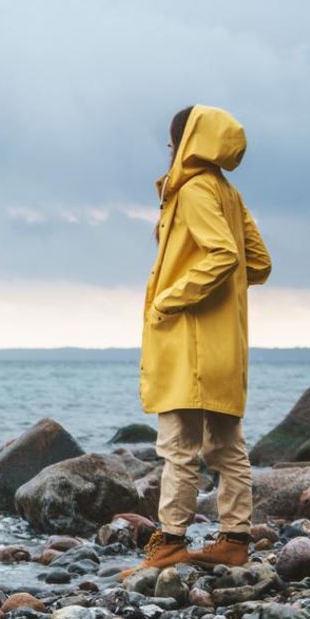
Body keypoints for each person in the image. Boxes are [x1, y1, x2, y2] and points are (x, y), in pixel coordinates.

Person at [128, 104, 271, 573]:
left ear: (187, 141)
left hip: (189, 344)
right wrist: (222, 302)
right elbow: (259, 262)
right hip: (225, 343)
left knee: (178, 446)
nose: (169, 148)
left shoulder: (191, 192)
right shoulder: (227, 192)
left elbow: (224, 255)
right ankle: (234, 539)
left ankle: (169, 542)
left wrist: (172, 299)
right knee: (227, 446)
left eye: (173, 138)